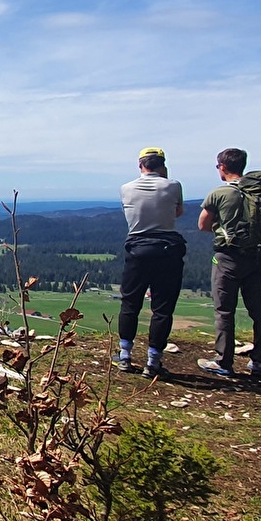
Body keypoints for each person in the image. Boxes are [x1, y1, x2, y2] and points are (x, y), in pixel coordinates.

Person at [197, 148, 261, 377]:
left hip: (227, 258)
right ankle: (260, 361)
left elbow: (203, 225)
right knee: (259, 311)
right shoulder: (259, 193)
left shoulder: (220, 193)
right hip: (257, 257)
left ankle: (223, 361)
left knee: (224, 310)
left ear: (222, 166)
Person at [117, 146, 186, 378]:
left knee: (130, 304)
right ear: (163, 165)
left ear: (140, 165)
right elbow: (177, 212)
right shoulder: (174, 185)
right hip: (168, 250)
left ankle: (125, 355)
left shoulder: (126, 188)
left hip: (137, 249)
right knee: (162, 308)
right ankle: (153, 360)